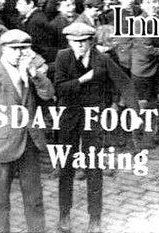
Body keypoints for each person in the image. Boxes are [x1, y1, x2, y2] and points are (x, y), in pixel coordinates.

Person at [0, 28, 54, 233]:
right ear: (3, 49)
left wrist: (34, 74)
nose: (20, 53)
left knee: (34, 198)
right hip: (3, 146)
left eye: (24, 48)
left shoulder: (29, 72)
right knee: (0, 200)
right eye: (15, 49)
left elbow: (48, 95)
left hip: (29, 143)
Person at [53, 20, 115, 233]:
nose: (79, 45)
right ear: (69, 42)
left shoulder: (102, 59)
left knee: (93, 167)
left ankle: (95, 218)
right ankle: (64, 214)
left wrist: (103, 110)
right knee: (66, 166)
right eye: (74, 42)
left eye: (83, 41)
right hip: (69, 117)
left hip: (93, 118)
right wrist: (82, 80)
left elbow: (110, 88)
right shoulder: (63, 57)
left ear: (91, 41)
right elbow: (60, 88)